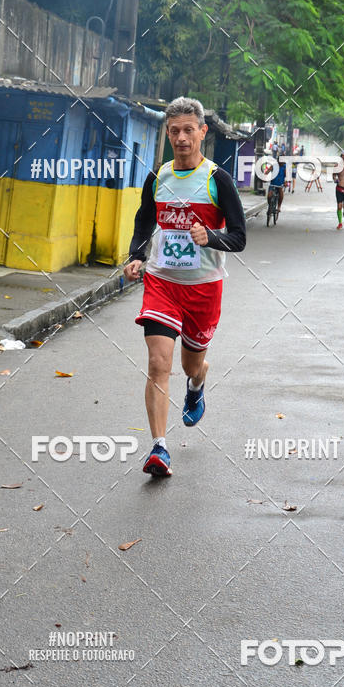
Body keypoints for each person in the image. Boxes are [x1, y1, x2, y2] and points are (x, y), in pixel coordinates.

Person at [123, 96, 247, 477]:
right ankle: (159, 448)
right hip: (162, 283)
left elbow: (239, 238)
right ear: (167, 133)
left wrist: (210, 237)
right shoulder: (157, 177)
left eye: (188, 130)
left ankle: (198, 380)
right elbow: (145, 221)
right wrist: (137, 256)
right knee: (158, 363)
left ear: (202, 132)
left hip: (204, 288)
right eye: (174, 131)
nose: (181, 138)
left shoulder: (217, 180)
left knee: (190, 363)